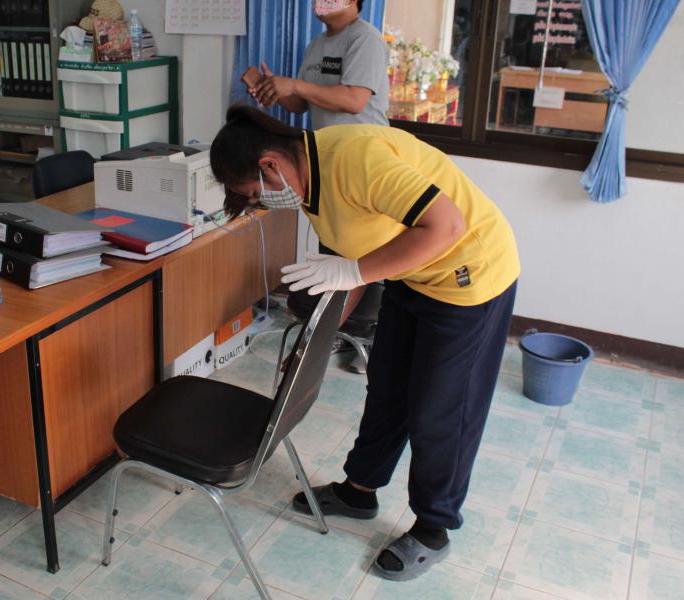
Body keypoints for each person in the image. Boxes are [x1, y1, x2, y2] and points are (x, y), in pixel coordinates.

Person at [210, 105, 520, 582]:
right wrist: (316, 342)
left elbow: (447, 227)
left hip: (470, 277)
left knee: (441, 410)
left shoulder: (355, 159)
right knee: (387, 387)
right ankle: (360, 490)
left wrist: (354, 271)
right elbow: (347, 267)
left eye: (254, 194)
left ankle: (433, 528)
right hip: (411, 275)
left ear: (270, 165)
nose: (260, 203)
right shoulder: (308, 184)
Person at [247, 0, 390, 128]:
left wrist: (293, 85)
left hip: (364, 146)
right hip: (327, 145)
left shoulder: (366, 38)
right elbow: (300, 104)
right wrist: (272, 87)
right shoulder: (315, 45)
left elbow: (353, 101)